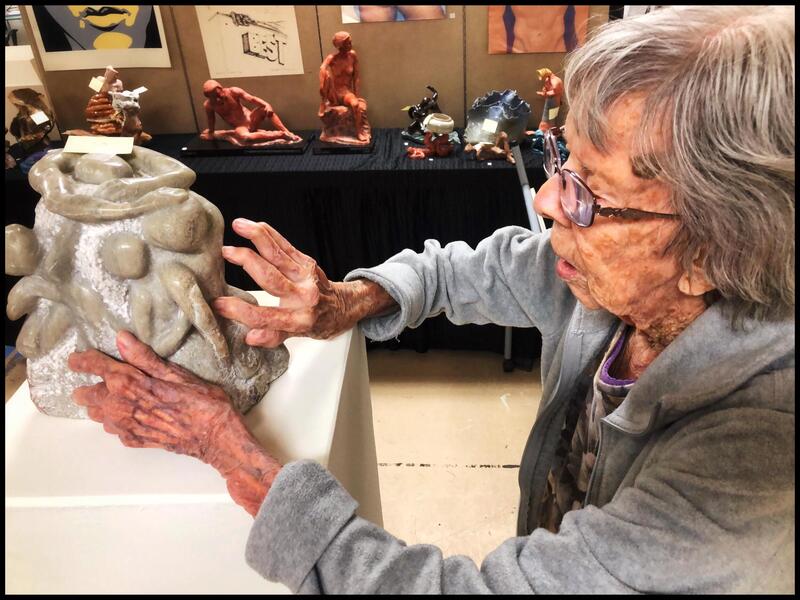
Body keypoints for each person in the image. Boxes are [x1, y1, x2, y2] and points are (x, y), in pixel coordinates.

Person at [68, 6, 794, 593]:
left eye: (587, 193)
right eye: (558, 159)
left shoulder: (747, 467)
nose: (545, 199)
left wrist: (233, 456)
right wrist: (348, 301)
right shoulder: (614, 278)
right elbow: (471, 270)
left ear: (716, 247)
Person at [201, 80, 301, 146]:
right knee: (245, 137)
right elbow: (211, 120)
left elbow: (252, 99)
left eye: (219, 94)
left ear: (221, 88)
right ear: (209, 97)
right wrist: (211, 132)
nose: (218, 99)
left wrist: (267, 104)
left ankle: (286, 131)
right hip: (241, 127)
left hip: (251, 119)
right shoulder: (209, 105)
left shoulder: (233, 91)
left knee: (265, 109)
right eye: (214, 97)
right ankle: (279, 135)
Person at [318, 31, 370, 144]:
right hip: (333, 93)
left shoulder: (352, 55)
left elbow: (356, 77)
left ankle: (359, 131)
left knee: (356, 104)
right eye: (348, 43)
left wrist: (357, 96)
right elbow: (322, 68)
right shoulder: (332, 58)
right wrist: (322, 87)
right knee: (327, 76)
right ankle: (325, 104)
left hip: (345, 92)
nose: (351, 44)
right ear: (340, 45)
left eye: (350, 42)